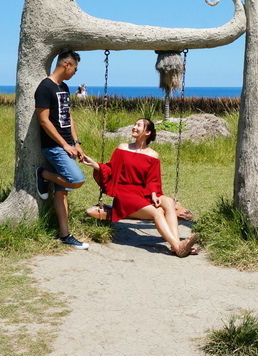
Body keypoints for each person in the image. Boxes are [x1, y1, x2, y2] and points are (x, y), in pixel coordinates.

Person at [79, 118, 200, 257]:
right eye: (135, 124)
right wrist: (95, 165)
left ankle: (176, 245)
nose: (134, 127)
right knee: (157, 212)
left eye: (139, 125)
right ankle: (178, 247)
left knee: (168, 202)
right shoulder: (123, 148)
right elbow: (111, 169)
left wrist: (154, 193)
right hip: (125, 194)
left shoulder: (153, 155)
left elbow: (153, 180)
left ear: (147, 132)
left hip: (143, 192)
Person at [34, 50, 89, 250]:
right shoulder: (45, 87)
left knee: (62, 193)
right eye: (75, 68)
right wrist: (64, 145)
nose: (75, 72)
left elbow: (68, 116)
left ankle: (65, 235)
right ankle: (43, 174)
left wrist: (76, 143)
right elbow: (43, 120)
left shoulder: (64, 87)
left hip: (68, 146)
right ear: (67, 65)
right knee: (77, 180)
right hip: (54, 147)